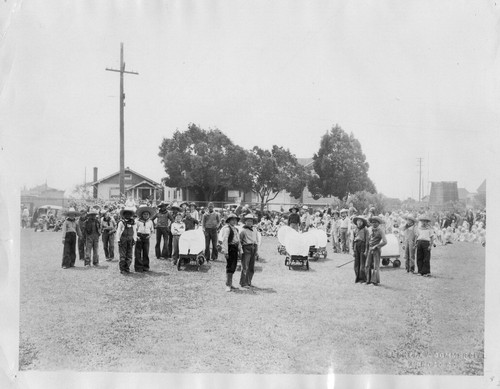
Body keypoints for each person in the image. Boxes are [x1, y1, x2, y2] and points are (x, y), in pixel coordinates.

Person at [219, 213, 242, 292]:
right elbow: (225, 240)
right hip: (230, 248)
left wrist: (240, 250)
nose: (234, 221)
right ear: (229, 221)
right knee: (230, 266)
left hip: (235, 248)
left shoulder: (236, 229)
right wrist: (225, 251)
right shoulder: (227, 229)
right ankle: (228, 285)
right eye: (232, 220)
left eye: (235, 220)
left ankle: (230, 283)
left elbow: (238, 241)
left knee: (233, 266)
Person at [365, 216, 387, 286]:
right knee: (367, 265)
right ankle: (367, 280)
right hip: (370, 249)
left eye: (375, 222)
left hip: (376, 250)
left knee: (375, 266)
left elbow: (385, 241)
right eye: (372, 222)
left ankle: (375, 281)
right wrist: (367, 249)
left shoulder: (381, 231)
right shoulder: (370, 230)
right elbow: (368, 240)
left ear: (378, 223)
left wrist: (377, 246)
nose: (373, 224)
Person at [239, 214, 259, 288]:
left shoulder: (255, 229)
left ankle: (249, 281)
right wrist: (240, 250)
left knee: (251, 266)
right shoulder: (243, 230)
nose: (249, 222)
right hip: (246, 247)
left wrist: (256, 250)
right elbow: (240, 241)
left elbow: (256, 240)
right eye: (248, 221)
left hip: (253, 247)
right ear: (245, 222)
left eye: (251, 221)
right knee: (245, 266)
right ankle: (243, 283)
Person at [116, 206, 137, 274]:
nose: (127, 215)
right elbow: (118, 232)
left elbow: (134, 231)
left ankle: (127, 268)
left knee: (129, 255)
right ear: (124, 215)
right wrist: (118, 240)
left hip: (130, 239)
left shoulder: (133, 222)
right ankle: (122, 269)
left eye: (129, 214)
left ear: (131, 215)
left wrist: (134, 239)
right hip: (123, 239)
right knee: (122, 255)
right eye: (126, 214)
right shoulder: (121, 222)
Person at [135, 205, 155, 272]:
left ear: (149, 215)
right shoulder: (138, 221)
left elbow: (152, 230)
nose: (145, 215)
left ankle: (145, 267)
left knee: (146, 252)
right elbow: (135, 230)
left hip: (146, 237)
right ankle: (138, 267)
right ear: (142, 215)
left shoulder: (150, 222)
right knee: (138, 253)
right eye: (144, 214)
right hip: (139, 236)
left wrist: (150, 236)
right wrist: (136, 236)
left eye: (147, 214)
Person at [352, 215, 368, 283]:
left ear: (363, 222)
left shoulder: (365, 230)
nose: (359, 222)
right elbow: (353, 240)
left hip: (363, 246)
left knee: (362, 264)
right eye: (358, 221)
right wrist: (353, 250)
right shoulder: (354, 230)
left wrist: (366, 250)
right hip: (356, 246)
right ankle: (357, 278)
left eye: (361, 221)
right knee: (356, 264)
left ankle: (363, 279)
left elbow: (367, 240)